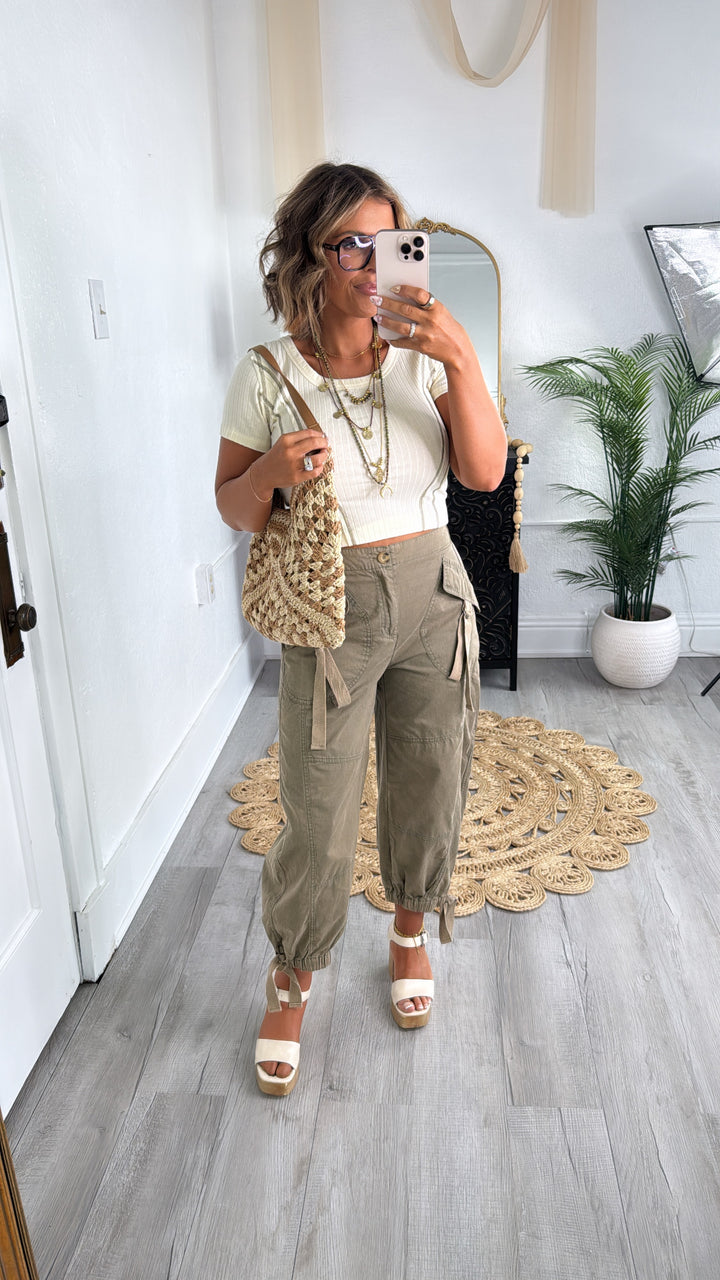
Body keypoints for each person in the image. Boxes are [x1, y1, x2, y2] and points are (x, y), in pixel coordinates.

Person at [215, 162, 507, 1096]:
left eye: (390, 242)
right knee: (318, 809)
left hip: (433, 598)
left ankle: (410, 930)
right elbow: (233, 506)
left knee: (430, 778)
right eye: (352, 245)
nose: (375, 265)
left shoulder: (426, 356)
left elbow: (485, 476)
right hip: (328, 614)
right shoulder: (266, 372)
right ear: (310, 254)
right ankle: (292, 972)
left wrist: (462, 359)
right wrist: (269, 475)